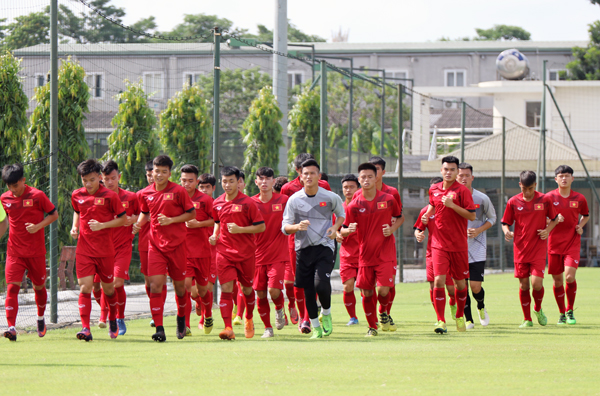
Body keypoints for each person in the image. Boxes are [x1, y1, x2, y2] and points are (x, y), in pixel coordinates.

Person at [133, 155, 196, 342]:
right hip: (155, 246)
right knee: (155, 286)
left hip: (177, 246)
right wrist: (138, 224)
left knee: (180, 288)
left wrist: (172, 220)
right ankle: (159, 328)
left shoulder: (178, 191)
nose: (158, 174)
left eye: (163, 171)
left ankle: (181, 318)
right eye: (156, 170)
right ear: (151, 171)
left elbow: (191, 213)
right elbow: (145, 212)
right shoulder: (144, 193)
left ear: (169, 173)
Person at [282, 159, 345, 339]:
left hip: (325, 246)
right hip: (303, 249)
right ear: (300, 177)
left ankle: (326, 313)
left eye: (312, 173)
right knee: (308, 289)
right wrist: (297, 227)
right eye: (305, 174)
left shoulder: (330, 197)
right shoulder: (294, 200)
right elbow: (285, 226)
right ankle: (315, 327)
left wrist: (334, 228)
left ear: (319, 176)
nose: (308, 176)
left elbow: (341, 215)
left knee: (321, 284)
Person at [341, 163, 403, 337]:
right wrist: (348, 231)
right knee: (367, 293)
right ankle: (372, 327)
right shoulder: (353, 205)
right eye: (363, 177)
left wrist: (391, 230)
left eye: (370, 176)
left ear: (376, 177)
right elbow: (343, 229)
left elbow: (399, 218)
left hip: (385, 253)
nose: (366, 180)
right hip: (365, 255)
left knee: (384, 289)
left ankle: (383, 312)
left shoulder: (388, 199)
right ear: (359, 180)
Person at [71, 159, 127, 341]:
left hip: (105, 251)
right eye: (84, 180)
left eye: (92, 180)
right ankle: (86, 328)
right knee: (85, 288)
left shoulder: (110, 196)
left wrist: (103, 225)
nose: (88, 184)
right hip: (84, 250)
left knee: (109, 290)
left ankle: (112, 318)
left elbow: (122, 219)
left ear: (99, 178)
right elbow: (77, 211)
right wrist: (75, 227)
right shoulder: (77, 195)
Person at [1, 164, 58, 341]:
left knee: (39, 287)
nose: (12, 189)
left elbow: (54, 214)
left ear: (23, 181)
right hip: (14, 252)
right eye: (9, 186)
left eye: (15, 185)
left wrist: (38, 226)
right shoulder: (4, 198)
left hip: (36, 253)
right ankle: (11, 327)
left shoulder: (37, 195)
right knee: (12, 288)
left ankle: (40, 318)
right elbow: (4, 222)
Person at [421, 156, 476, 334]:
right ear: (441, 170)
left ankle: (459, 314)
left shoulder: (462, 191)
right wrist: (427, 215)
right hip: (438, 244)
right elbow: (432, 205)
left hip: (459, 245)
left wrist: (452, 206)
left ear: (456, 172)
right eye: (446, 169)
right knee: (438, 280)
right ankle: (441, 320)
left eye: (452, 170)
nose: (448, 172)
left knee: (460, 285)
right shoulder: (434, 189)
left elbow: (471, 216)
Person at [209, 166, 265, 340]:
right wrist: (214, 234)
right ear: (220, 182)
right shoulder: (217, 203)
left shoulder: (248, 203)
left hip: (246, 254)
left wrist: (240, 229)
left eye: (231, 181)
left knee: (247, 290)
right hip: (224, 252)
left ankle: (248, 317)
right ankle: (228, 328)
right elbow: (217, 222)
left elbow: (261, 226)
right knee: (226, 288)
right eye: (224, 181)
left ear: (239, 181)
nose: (227, 185)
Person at [501, 171, 559, 328]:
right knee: (524, 285)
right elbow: (505, 222)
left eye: (530, 188)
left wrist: (547, 230)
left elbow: (554, 220)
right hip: (520, 249)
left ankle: (538, 309)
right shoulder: (513, 202)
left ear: (535, 186)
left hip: (538, 249)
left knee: (537, 284)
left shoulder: (545, 199)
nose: (527, 192)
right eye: (524, 188)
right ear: (520, 184)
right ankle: (527, 319)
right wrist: (507, 232)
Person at [93, 161, 140, 336]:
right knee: (96, 287)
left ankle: (113, 317)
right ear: (100, 179)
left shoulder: (131, 197)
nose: (110, 182)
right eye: (106, 179)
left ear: (119, 177)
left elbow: (143, 215)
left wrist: (134, 219)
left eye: (113, 178)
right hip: (101, 248)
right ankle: (111, 311)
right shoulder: (97, 198)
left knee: (115, 283)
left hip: (123, 247)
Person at [546, 165, 589, 325]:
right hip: (554, 245)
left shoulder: (579, 198)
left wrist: (580, 226)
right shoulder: (548, 198)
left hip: (572, 244)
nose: (564, 178)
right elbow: (542, 217)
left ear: (572, 178)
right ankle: (561, 313)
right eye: (561, 175)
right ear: (556, 179)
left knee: (570, 277)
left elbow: (585, 215)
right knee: (557, 281)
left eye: (567, 176)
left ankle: (570, 310)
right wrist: (551, 221)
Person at [457, 163, 496, 329]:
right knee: (462, 285)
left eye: (467, 175)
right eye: (461, 175)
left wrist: (479, 230)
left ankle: (481, 306)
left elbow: (492, 218)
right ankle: (468, 319)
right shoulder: (451, 199)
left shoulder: (482, 198)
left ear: (472, 177)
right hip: (457, 249)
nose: (463, 178)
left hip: (477, 248)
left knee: (475, 286)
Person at [251, 167, 289, 338]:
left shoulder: (284, 200)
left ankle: (280, 308)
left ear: (274, 182)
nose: (264, 182)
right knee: (260, 293)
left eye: (268, 179)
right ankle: (268, 328)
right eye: (261, 179)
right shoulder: (250, 203)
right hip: (256, 256)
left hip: (278, 254)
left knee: (274, 290)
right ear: (256, 182)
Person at [413, 177, 457, 322]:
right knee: (434, 285)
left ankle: (453, 305)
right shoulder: (426, 211)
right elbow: (418, 228)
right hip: (432, 253)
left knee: (451, 289)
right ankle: (440, 318)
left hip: (449, 252)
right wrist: (419, 234)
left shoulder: (452, 208)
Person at [180, 165, 215, 335]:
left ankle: (207, 314)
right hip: (183, 251)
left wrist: (198, 224)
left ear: (197, 181)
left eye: (190, 181)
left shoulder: (206, 200)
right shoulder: (175, 198)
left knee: (202, 290)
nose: (186, 184)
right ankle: (185, 325)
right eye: (183, 180)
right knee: (185, 288)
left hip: (202, 251)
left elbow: (216, 221)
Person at [136, 160, 159, 328]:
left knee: (160, 280)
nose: (152, 178)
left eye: (155, 174)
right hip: (145, 242)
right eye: (149, 175)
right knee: (148, 280)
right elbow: (136, 216)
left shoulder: (169, 193)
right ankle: (154, 310)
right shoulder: (141, 195)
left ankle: (158, 312)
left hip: (165, 243)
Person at [336, 174, 361, 326]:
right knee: (347, 286)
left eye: (352, 187)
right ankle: (353, 317)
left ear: (358, 188)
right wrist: (338, 234)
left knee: (367, 288)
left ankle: (374, 316)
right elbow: (335, 230)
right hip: (347, 254)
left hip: (365, 254)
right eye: (346, 187)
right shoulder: (340, 209)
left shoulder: (364, 206)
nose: (348, 190)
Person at [197, 173, 218, 329]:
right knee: (192, 291)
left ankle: (205, 317)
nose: (204, 190)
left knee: (208, 288)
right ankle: (199, 302)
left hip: (212, 252)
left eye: (207, 187)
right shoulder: (190, 202)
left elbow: (218, 222)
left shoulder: (215, 204)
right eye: (201, 187)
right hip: (192, 252)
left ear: (213, 188)